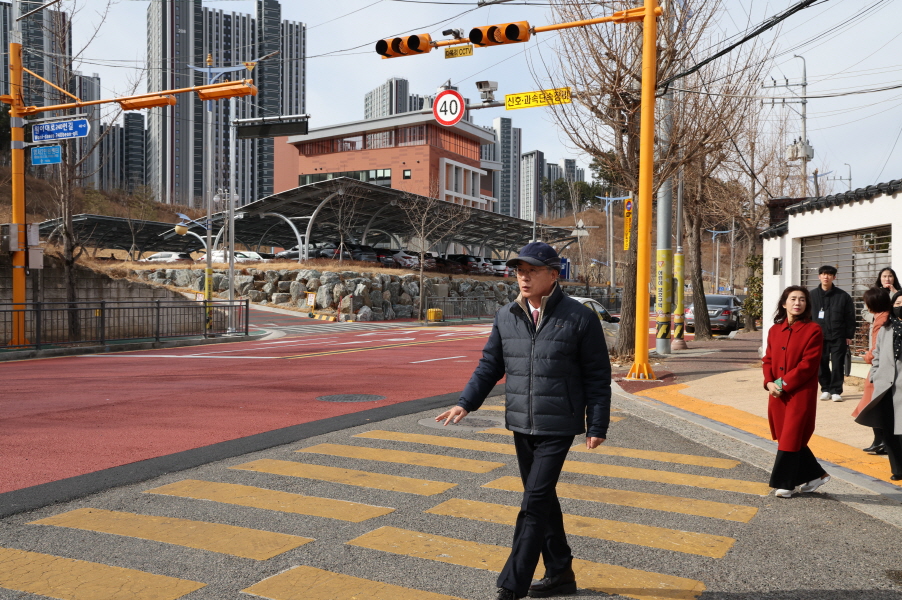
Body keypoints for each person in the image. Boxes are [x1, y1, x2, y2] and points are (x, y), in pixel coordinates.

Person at [436, 241, 611, 600]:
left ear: (553, 274)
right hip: (521, 423)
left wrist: (597, 424)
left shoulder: (580, 318)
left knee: (533, 504)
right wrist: (465, 403)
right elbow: (490, 365)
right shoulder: (507, 315)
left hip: (558, 424)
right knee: (542, 500)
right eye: (519, 270)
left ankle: (510, 588)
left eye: (532, 270)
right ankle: (561, 572)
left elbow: (597, 376)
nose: (524, 277)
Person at [762, 285, 830, 498]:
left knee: (791, 436)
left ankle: (785, 484)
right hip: (777, 393)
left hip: (799, 393)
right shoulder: (774, 330)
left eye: (802, 299)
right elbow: (768, 360)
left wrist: (781, 385)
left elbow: (807, 365)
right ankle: (816, 475)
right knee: (788, 437)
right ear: (784, 303)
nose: (797, 303)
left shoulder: (813, 330)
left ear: (807, 305)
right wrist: (769, 383)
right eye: (793, 299)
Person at [856, 291, 902, 481]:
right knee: (888, 429)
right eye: (898, 302)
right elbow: (877, 353)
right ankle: (897, 468)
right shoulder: (886, 328)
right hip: (885, 385)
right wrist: (875, 375)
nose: (900, 305)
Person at [852, 287, 893, 455]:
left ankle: (880, 441)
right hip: (884, 367)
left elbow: (878, 348)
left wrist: (867, 356)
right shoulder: (885, 316)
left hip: (879, 368)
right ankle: (881, 441)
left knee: (872, 404)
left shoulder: (881, 320)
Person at [809, 265, 856, 402]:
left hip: (838, 335)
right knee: (820, 363)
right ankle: (825, 389)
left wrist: (849, 335)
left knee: (837, 364)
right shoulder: (811, 296)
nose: (826, 277)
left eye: (829, 274)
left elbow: (850, 317)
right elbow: (807, 317)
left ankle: (836, 390)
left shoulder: (843, 296)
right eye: (823, 274)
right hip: (818, 336)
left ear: (834, 277)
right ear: (819, 276)